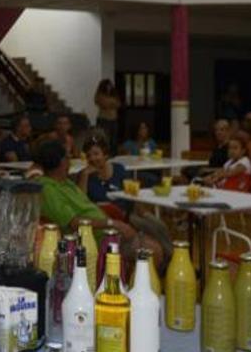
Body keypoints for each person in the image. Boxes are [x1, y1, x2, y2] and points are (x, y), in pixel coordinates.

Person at [35, 140, 168, 268]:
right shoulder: (47, 189)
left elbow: (85, 202)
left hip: (108, 229)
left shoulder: (65, 182)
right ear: (62, 162)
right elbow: (74, 222)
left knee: (155, 239)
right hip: (94, 240)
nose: (69, 161)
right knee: (153, 251)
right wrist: (113, 223)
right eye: (67, 157)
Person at [78, 133, 127, 205]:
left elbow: (130, 195)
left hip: (119, 212)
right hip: (96, 213)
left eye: (96, 154)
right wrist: (84, 175)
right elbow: (80, 203)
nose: (92, 158)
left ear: (106, 155)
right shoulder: (84, 174)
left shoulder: (119, 169)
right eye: (88, 156)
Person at [94, 79, 121, 147]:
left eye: (110, 86)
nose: (109, 88)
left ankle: (113, 154)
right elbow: (104, 104)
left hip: (114, 119)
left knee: (114, 139)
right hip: (104, 119)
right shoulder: (100, 94)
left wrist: (111, 103)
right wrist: (112, 103)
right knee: (104, 138)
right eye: (107, 86)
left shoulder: (114, 95)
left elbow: (118, 104)